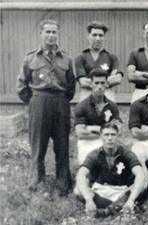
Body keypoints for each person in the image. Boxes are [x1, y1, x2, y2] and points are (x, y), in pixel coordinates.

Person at [16, 19, 75, 196]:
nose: (51, 36)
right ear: (41, 33)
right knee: (38, 145)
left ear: (58, 34)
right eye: (47, 32)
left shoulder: (66, 58)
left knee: (62, 145)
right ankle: (36, 182)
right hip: (39, 102)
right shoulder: (30, 58)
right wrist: (35, 101)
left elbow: (71, 86)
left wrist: (62, 101)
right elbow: (21, 86)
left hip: (60, 103)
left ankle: (63, 183)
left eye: (54, 32)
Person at [75, 123, 146, 217]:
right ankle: (116, 208)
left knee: (142, 185)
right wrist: (88, 199)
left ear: (117, 136)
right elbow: (81, 174)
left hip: (121, 192)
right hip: (100, 191)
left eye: (113, 134)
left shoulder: (126, 153)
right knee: (77, 191)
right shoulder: (94, 154)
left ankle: (106, 211)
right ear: (101, 136)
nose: (110, 138)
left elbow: (140, 174)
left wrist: (131, 199)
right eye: (106, 134)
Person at [74, 68, 122, 164]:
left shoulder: (112, 106)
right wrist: (106, 132)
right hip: (87, 143)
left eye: (102, 83)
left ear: (107, 84)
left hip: (107, 143)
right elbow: (81, 133)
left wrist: (93, 128)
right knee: (88, 171)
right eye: (96, 83)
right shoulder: (82, 106)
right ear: (91, 84)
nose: (99, 86)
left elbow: (118, 130)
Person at [75, 21, 123, 102]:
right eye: (94, 35)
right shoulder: (81, 57)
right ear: (88, 36)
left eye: (101, 35)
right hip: (87, 93)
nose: (97, 38)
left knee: (109, 112)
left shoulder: (111, 57)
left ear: (104, 37)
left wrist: (96, 83)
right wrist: (105, 82)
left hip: (107, 93)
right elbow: (83, 82)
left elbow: (117, 79)